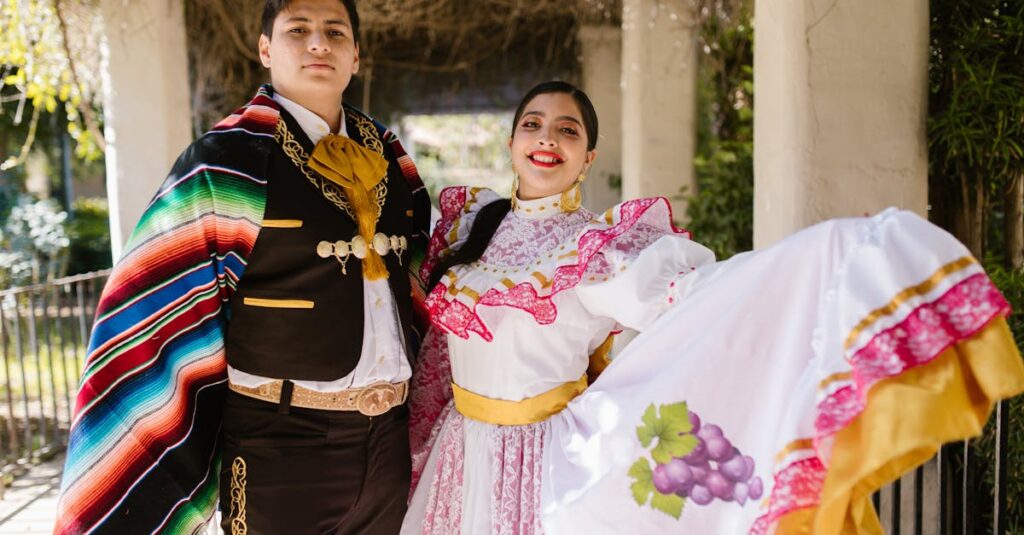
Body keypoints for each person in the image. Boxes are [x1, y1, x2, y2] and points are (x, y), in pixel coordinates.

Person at [400, 81, 1024, 534]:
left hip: (540, 465)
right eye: (533, 124)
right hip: (461, 454)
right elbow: (434, 359)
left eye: (568, 131)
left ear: (588, 156)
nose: (547, 140)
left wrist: (816, 257)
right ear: (512, 141)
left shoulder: (601, 249)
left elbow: (701, 297)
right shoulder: (466, 230)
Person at [55, 1, 430, 533]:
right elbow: (155, 301)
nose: (318, 43)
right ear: (265, 49)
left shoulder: (392, 158)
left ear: (356, 56)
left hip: (389, 442)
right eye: (298, 30)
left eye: (334, 32)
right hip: (279, 447)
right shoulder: (225, 160)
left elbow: (415, 285)